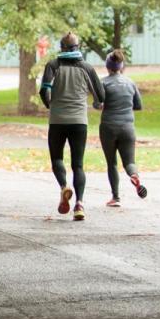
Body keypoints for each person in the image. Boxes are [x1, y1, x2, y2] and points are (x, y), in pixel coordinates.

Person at [40, 32, 105, 222]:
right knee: (78, 164)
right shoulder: (86, 67)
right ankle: (79, 204)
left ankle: (63, 187)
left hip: (57, 120)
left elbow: (44, 89)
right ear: (78, 47)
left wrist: (49, 104)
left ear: (61, 48)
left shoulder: (53, 65)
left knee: (57, 158)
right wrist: (94, 101)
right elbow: (101, 95)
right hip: (79, 122)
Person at [95, 50, 147, 207]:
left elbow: (97, 104)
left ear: (108, 66)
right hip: (127, 127)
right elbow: (138, 105)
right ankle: (134, 175)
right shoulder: (130, 83)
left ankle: (115, 197)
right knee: (129, 161)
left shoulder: (103, 83)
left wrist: (102, 104)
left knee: (112, 163)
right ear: (121, 66)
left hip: (108, 127)